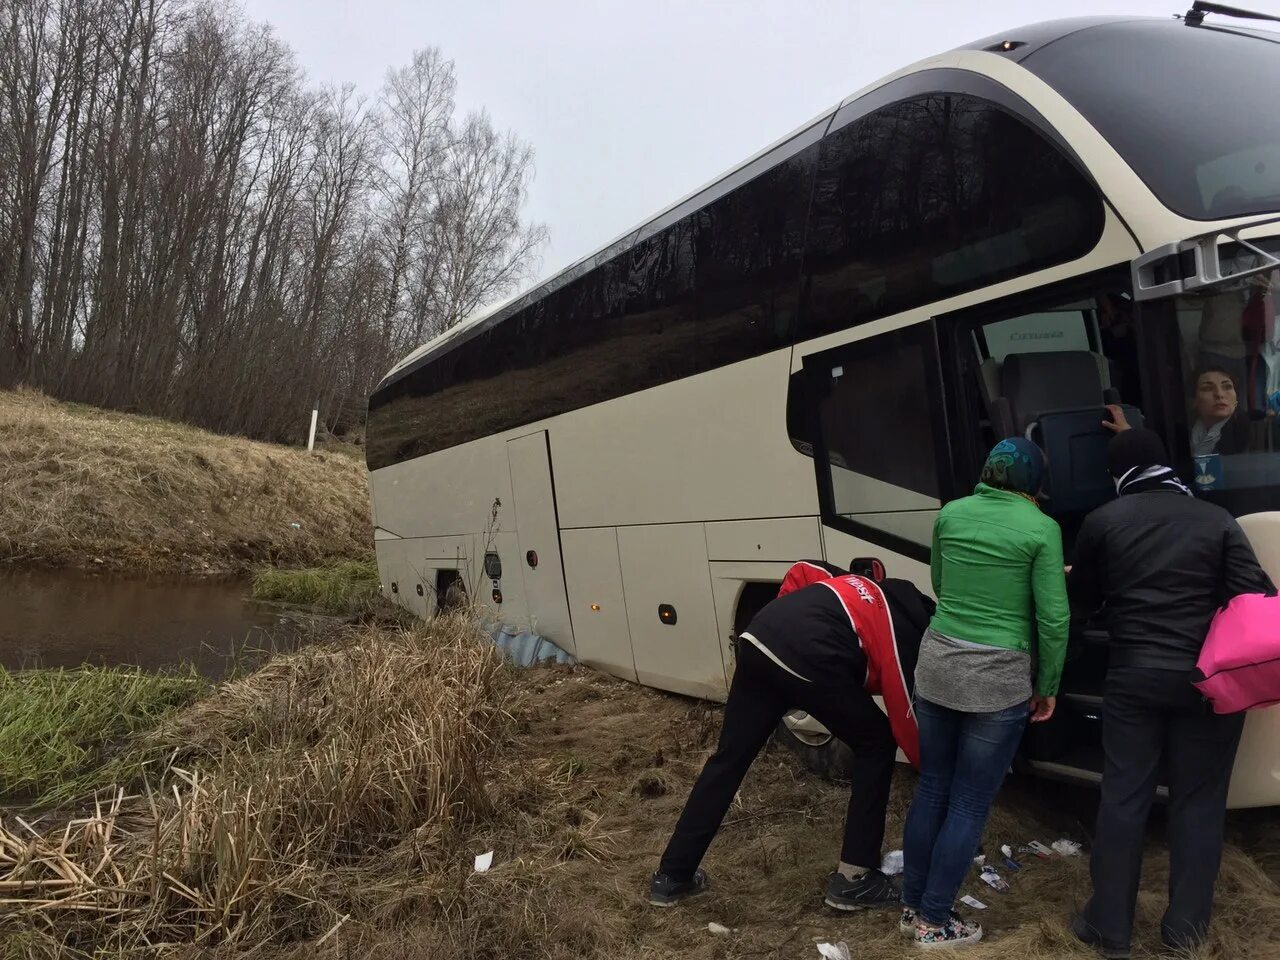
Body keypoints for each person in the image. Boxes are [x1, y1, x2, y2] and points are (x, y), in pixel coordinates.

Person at [1067, 428, 1274, 959]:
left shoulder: (1103, 521)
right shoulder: (1216, 520)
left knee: (1123, 798)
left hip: (1133, 679)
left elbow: (1081, 602)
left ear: (1119, 475)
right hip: (1206, 683)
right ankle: (1184, 933)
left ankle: (1109, 928)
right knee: (1199, 805)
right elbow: (1258, 598)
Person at [649, 561, 935, 911]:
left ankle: (672, 875)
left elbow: (803, 569)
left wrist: (787, 632)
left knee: (730, 758)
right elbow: (905, 715)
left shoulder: (853, 584)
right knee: (876, 742)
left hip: (759, 638)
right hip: (807, 653)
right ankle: (855, 879)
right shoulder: (901, 627)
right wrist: (938, 772)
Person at [901, 437, 1068, 949]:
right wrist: (1048, 686)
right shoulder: (1042, 529)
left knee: (932, 787)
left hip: (937, 663)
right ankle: (935, 922)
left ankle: (912, 907)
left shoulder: (951, 513)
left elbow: (940, 581)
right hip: (996, 678)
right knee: (970, 802)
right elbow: (1053, 618)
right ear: (1035, 482)